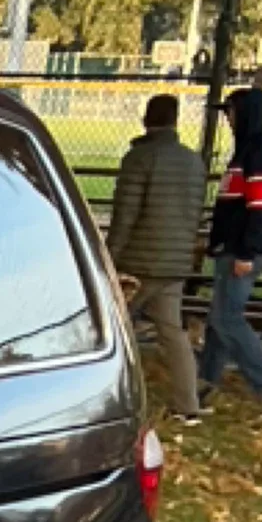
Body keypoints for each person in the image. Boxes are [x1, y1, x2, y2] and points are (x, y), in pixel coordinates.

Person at [101, 89, 203, 423]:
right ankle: (188, 405)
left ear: (146, 119)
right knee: (173, 332)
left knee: (113, 328)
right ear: (175, 120)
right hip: (174, 263)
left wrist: (109, 257)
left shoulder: (139, 159)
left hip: (138, 262)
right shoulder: (193, 162)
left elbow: (125, 214)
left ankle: (111, 397)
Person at [202, 80, 262, 418]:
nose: (227, 119)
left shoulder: (259, 150)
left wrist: (246, 251)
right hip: (234, 245)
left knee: (227, 318)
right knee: (218, 319)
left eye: (230, 112)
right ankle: (204, 383)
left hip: (245, 249)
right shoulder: (248, 148)